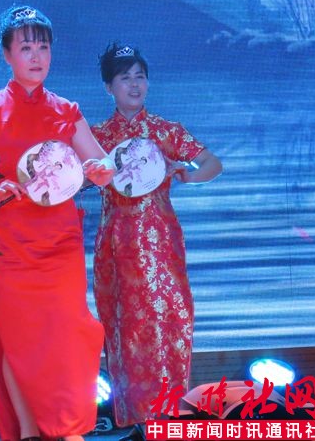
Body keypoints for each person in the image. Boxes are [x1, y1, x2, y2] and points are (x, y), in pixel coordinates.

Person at [0, 5, 114, 441]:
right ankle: (27, 430)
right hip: (9, 239)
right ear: (7, 55)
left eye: (43, 47)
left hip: (59, 238)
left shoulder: (66, 110)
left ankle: (67, 424)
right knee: (17, 337)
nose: (36, 56)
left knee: (69, 331)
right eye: (25, 48)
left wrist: (99, 171)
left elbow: (101, 162)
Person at [90, 43, 223, 441]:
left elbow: (212, 163)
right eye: (124, 78)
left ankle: (168, 419)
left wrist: (187, 174)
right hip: (117, 245)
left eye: (140, 77)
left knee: (169, 326)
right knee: (124, 330)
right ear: (109, 87)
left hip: (160, 244)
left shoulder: (166, 131)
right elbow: (75, 179)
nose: (134, 85)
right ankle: (137, 422)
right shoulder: (97, 137)